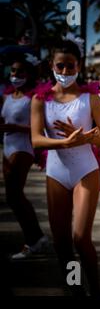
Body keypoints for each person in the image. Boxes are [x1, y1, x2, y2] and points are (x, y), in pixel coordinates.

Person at [30, 34, 100, 295]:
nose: (65, 71)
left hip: (85, 171)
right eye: (60, 66)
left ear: (79, 66)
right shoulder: (40, 100)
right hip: (56, 173)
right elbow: (36, 140)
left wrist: (88, 138)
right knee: (62, 243)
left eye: (71, 66)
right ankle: (76, 290)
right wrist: (66, 142)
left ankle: (96, 291)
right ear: (51, 66)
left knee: (80, 237)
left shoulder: (91, 99)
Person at [0, 53, 49, 259]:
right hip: (7, 145)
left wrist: (12, 126)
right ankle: (36, 237)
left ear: (29, 74)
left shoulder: (34, 98)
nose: (16, 74)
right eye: (13, 71)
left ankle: (33, 240)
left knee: (14, 194)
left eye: (20, 71)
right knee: (12, 197)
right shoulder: (8, 96)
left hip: (23, 146)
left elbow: (38, 128)